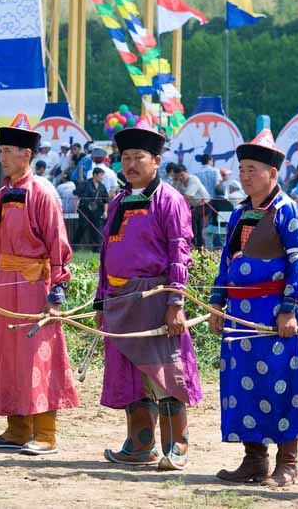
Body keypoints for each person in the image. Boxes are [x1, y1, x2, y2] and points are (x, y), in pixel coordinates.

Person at [209, 129, 298, 488]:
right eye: (241, 169)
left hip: (274, 314)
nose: (245, 176)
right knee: (242, 387)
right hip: (238, 315)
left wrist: (289, 307)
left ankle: (287, 463)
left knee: (282, 384)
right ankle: (254, 459)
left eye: (252, 169)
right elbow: (226, 260)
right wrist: (217, 302)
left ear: (272, 173)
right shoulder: (240, 213)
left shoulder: (289, 210)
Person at [95, 125, 201, 471]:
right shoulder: (118, 200)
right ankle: (140, 446)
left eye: (138, 157)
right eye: (125, 158)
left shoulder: (170, 200)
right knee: (129, 375)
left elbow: (179, 253)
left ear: (156, 161)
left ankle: (177, 448)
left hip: (155, 299)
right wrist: (100, 302)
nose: (131, 164)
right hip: (119, 301)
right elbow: (105, 252)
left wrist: (176, 303)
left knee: (165, 373)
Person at [0, 114, 79, 455]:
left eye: (8, 151)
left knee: (39, 358)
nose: (2, 157)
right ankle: (16, 429)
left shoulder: (44, 192)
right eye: (0, 151)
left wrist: (57, 293)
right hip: (6, 285)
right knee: (9, 358)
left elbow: (58, 246)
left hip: (36, 287)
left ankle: (46, 433)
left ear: (26, 155)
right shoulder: (1, 194)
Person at [73, 167, 109, 251]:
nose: (102, 177)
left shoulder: (102, 186)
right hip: (84, 209)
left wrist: (105, 211)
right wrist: (75, 208)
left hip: (97, 210)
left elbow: (105, 200)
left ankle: (97, 248)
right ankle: (74, 245)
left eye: (103, 175)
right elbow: (76, 195)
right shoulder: (85, 183)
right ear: (95, 175)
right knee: (83, 225)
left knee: (97, 227)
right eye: (101, 175)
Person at [178, 165, 211, 249]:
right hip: (194, 206)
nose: (181, 177)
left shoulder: (193, 179)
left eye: (182, 175)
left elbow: (187, 196)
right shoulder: (180, 183)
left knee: (192, 216)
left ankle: (193, 241)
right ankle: (197, 243)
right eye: (179, 176)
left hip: (204, 205)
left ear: (186, 172)